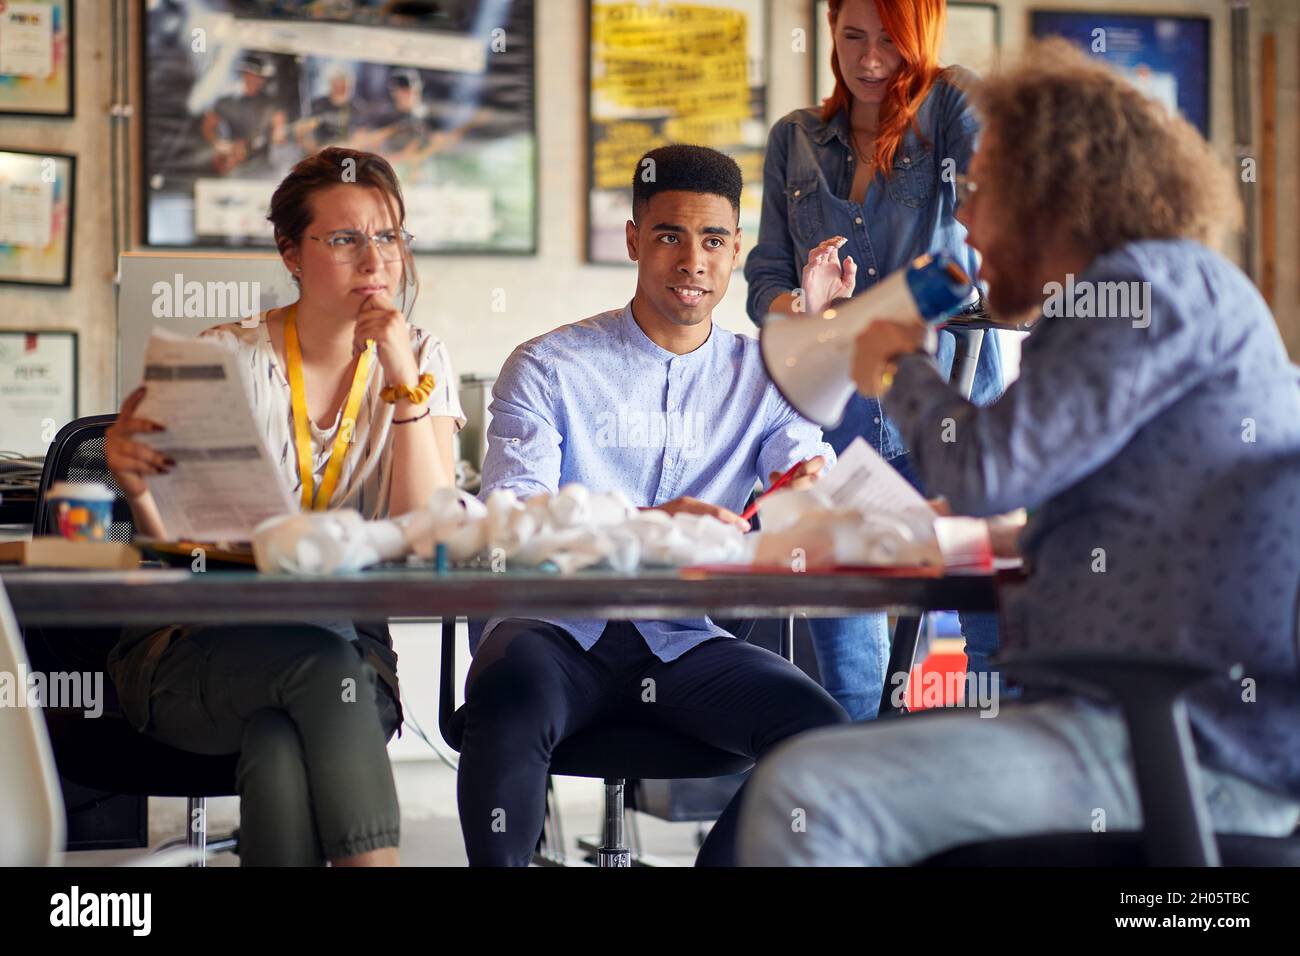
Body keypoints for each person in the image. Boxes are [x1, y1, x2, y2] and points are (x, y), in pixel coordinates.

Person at [737, 40, 1300, 865]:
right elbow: (1139, 523)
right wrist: (995, 540)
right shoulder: (1166, 288)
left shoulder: (1139, 292)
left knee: (801, 794)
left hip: (1186, 742)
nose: (962, 217)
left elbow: (984, 473)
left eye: (979, 190)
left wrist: (895, 359)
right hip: (1167, 725)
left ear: (1053, 193)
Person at [459, 145, 849, 867]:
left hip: (685, 640)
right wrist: (647, 524)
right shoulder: (549, 366)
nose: (692, 261)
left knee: (820, 735)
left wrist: (810, 484)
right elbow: (513, 519)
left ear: (736, 251)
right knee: (507, 697)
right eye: (669, 235)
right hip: (555, 631)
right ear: (635, 239)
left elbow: (806, 468)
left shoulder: (766, 377)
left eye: (713, 240)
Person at [105, 148, 465, 866]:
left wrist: (402, 380)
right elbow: (176, 546)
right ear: (289, 251)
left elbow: (428, 536)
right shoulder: (228, 357)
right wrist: (137, 484)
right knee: (314, 666)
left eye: (388, 236)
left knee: (279, 740)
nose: (374, 259)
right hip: (196, 644)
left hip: (351, 648)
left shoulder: (422, 358)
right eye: (343, 239)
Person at [745, 0, 1003, 720]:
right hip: (838, 425)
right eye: (853, 36)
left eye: (890, 42)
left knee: (990, 627)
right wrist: (806, 305)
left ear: (919, 36)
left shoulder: (951, 104)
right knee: (851, 664)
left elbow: (984, 236)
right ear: (829, 29)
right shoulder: (794, 140)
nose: (868, 60)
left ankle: (1001, 807)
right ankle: (862, 806)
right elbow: (764, 276)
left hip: (948, 410)